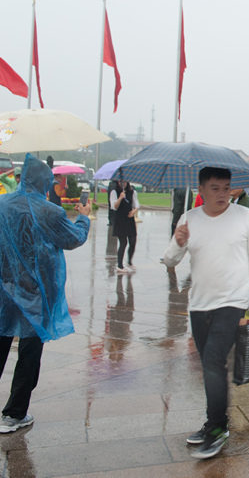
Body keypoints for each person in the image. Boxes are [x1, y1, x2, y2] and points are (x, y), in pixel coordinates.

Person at [162, 166, 249, 460]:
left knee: (213, 361)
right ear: (201, 191)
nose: (222, 194)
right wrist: (178, 241)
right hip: (199, 304)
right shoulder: (190, 219)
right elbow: (170, 260)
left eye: (226, 188)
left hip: (232, 302)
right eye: (215, 188)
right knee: (210, 365)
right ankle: (213, 421)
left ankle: (218, 428)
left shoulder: (243, 216)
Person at [0, 154, 90, 433]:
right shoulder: (49, 211)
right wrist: (84, 219)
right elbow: (72, 239)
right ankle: (14, 414)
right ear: (44, 182)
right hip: (36, 291)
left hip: (4, 287)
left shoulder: (2, 204)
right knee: (29, 352)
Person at [111, 180, 140, 274]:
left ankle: (130, 261)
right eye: (121, 182)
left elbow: (136, 205)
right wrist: (120, 198)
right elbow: (114, 207)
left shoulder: (132, 192)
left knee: (133, 240)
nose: (123, 183)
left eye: (125, 181)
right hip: (120, 219)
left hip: (129, 219)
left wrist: (133, 211)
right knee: (123, 242)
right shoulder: (114, 192)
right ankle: (119, 265)